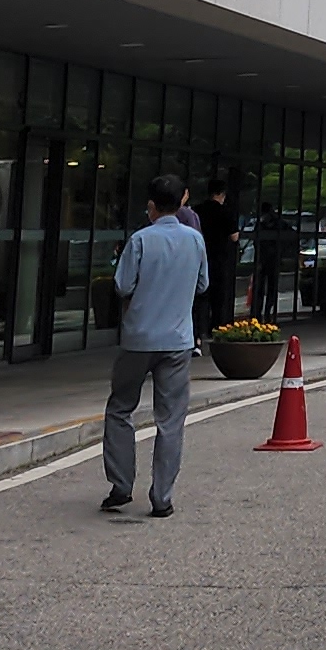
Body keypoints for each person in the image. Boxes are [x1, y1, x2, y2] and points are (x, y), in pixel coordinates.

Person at [105, 173, 207, 520]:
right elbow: (203, 284)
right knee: (171, 419)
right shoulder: (195, 240)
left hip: (138, 338)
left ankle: (121, 485)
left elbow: (122, 286)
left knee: (121, 408)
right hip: (177, 340)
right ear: (182, 201)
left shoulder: (140, 240)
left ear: (151, 205)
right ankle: (161, 497)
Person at [194, 170, 240, 329]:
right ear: (221, 194)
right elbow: (234, 237)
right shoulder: (225, 212)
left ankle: (199, 327)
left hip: (200, 256)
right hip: (219, 257)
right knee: (219, 296)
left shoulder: (197, 210)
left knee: (201, 294)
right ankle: (216, 327)